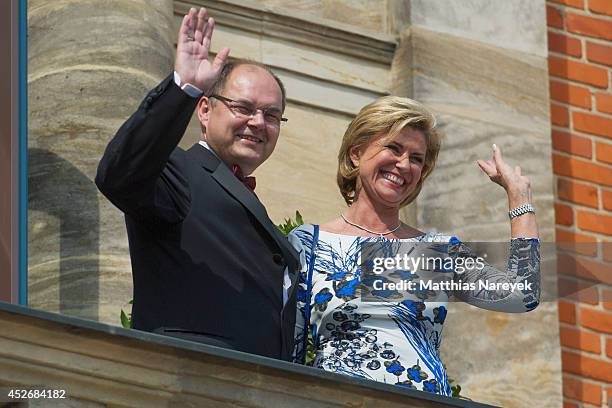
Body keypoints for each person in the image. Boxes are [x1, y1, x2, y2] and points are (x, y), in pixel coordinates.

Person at [289, 96, 540, 395]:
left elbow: (522, 294)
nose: (404, 164)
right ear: (357, 153)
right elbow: (289, 353)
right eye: (393, 148)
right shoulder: (311, 242)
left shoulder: (434, 250)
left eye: (417, 159)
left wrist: (519, 198)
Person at [96, 7, 300, 361]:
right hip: (186, 376)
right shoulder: (178, 172)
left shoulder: (238, 193)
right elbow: (119, 174)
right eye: (243, 107)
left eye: (271, 115)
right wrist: (183, 88)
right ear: (205, 111)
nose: (257, 122)